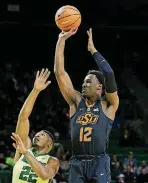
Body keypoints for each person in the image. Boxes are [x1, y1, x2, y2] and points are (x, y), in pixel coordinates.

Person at [54, 28, 119, 183]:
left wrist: (93, 50)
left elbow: (109, 74)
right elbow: (59, 72)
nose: (83, 84)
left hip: (99, 162)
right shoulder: (76, 101)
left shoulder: (108, 105)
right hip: (77, 162)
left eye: (88, 81)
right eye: (83, 81)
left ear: (99, 87)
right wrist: (60, 41)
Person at [11, 68, 59, 183]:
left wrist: (26, 153)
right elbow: (23, 118)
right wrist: (35, 90)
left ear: (49, 144)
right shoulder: (25, 146)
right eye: (37, 134)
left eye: (42, 135)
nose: (37, 135)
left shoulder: (52, 161)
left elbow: (44, 175)